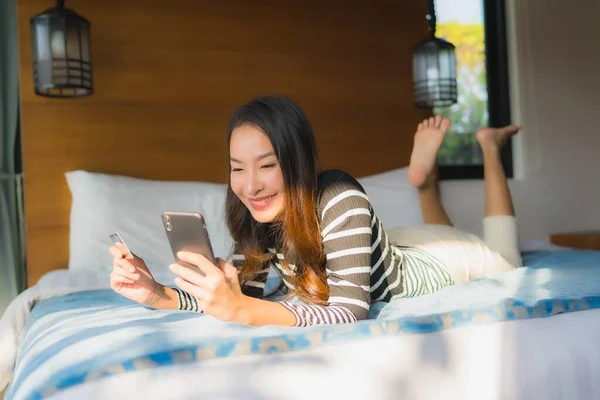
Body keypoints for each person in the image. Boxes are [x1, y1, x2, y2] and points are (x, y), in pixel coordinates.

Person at [109, 95, 522, 327]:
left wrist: (241, 310)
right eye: (237, 168)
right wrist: (156, 293)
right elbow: (239, 297)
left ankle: (488, 147)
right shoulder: (257, 213)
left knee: (506, 253)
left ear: (298, 161)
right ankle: (425, 182)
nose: (249, 184)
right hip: (389, 246)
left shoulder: (340, 194)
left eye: (267, 165)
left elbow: (347, 311)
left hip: (441, 262)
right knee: (424, 230)